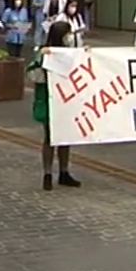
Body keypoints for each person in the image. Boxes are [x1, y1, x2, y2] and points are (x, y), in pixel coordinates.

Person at [28, 21, 81, 191]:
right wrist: (42, 61)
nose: (70, 37)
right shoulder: (45, 53)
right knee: (50, 137)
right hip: (49, 100)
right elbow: (33, 75)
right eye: (68, 34)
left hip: (66, 100)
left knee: (65, 137)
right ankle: (48, 173)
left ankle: (64, 172)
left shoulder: (69, 53)